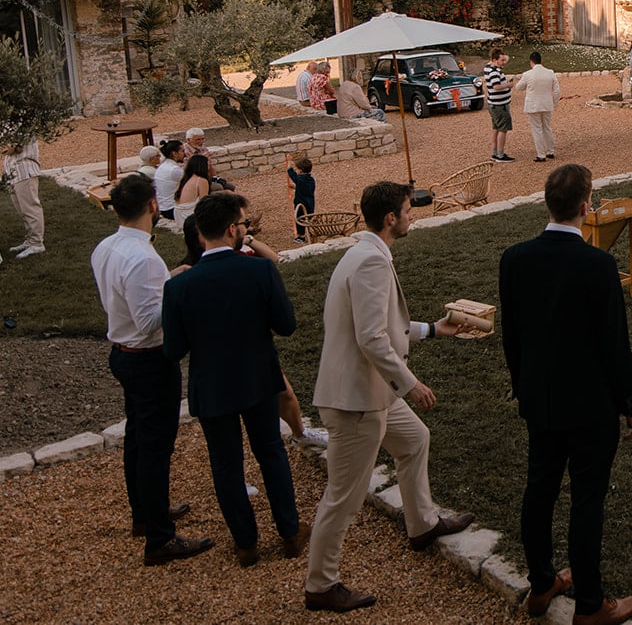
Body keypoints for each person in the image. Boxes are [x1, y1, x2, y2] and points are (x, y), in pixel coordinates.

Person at [304, 181, 472, 613]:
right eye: (407, 210)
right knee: (344, 497)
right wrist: (410, 384)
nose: (412, 215)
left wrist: (434, 329)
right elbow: (372, 338)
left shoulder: (365, 254)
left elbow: (383, 326)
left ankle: (422, 525)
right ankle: (321, 585)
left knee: (414, 440)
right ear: (390, 218)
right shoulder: (370, 264)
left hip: (370, 391)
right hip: (356, 399)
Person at [499, 164, 632, 625]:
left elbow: (513, 337)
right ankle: (590, 605)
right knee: (586, 498)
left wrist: (523, 389)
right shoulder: (598, 265)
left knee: (539, 490)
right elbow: (613, 344)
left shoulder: (514, 258)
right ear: (586, 207)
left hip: (540, 399)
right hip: (590, 405)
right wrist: (631, 406)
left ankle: (541, 584)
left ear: (548, 203)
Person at [162, 192, 306, 568]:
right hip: (258, 378)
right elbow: (286, 326)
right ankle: (289, 533)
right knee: (270, 452)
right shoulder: (259, 271)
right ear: (231, 229)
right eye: (244, 224)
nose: (246, 229)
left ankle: (246, 544)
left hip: (211, 385)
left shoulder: (177, 286)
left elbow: (174, 348)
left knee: (225, 465)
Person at [90, 174, 213, 567]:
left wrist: (172, 280)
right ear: (153, 207)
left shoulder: (107, 247)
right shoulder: (142, 258)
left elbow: (130, 298)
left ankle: (145, 514)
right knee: (155, 448)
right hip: (148, 359)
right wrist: (182, 301)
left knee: (137, 439)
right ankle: (160, 538)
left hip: (122, 353)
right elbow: (149, 321)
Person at [516, 51, 561, 162]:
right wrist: (553, 102)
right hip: (547, 104)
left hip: (533, 105)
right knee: (547, 128)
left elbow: (519, 87)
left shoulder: (527, 74)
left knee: (537, 129)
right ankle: (550, 151)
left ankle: (541, 154)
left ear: (531, 61)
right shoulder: (550, 73)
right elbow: (557, 91)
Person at [4, 137, 45, 259]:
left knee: (30, 208)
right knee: (22, 209)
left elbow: (14, 148)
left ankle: (37, 243)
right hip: (13, 171)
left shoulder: (23, 122)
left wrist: (4, 147)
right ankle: (30, 239)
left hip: (24, 169)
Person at [484, 48, 516, 163]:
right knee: (503, 129)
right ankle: (500, 155)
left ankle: (495, 152)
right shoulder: (493, 72)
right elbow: (496, 86)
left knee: (496, 128)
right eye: (502, 60)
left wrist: (501, 60)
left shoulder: (490, 67)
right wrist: (508, 85)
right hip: (499, 105)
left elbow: (504, 59)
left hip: (495, 103)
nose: (504, 62)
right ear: (494, 60)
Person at [172, 154, 212, 227]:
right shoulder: (201, 180)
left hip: (179, 216)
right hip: (189, 216)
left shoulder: (185, 179)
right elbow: (204, 204)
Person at [153, 140, 185, 221]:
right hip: (172, 209)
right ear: (174, 153)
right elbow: (193, 183)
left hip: (163, 207)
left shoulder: (162, 166)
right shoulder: (174, 170)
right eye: (182, 151)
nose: (184, 154)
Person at [289, 156, 316, 241]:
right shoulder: (311, 179)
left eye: (297, 169)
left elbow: (294, 177)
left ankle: (301, 236)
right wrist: (296, 188)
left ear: (300, 170)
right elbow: (306, 189)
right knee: (308, 217)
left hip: (301, 203)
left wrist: (289, 169)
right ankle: (311, 232)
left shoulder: (300, 179)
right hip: (310, 202)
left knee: (300, 218)